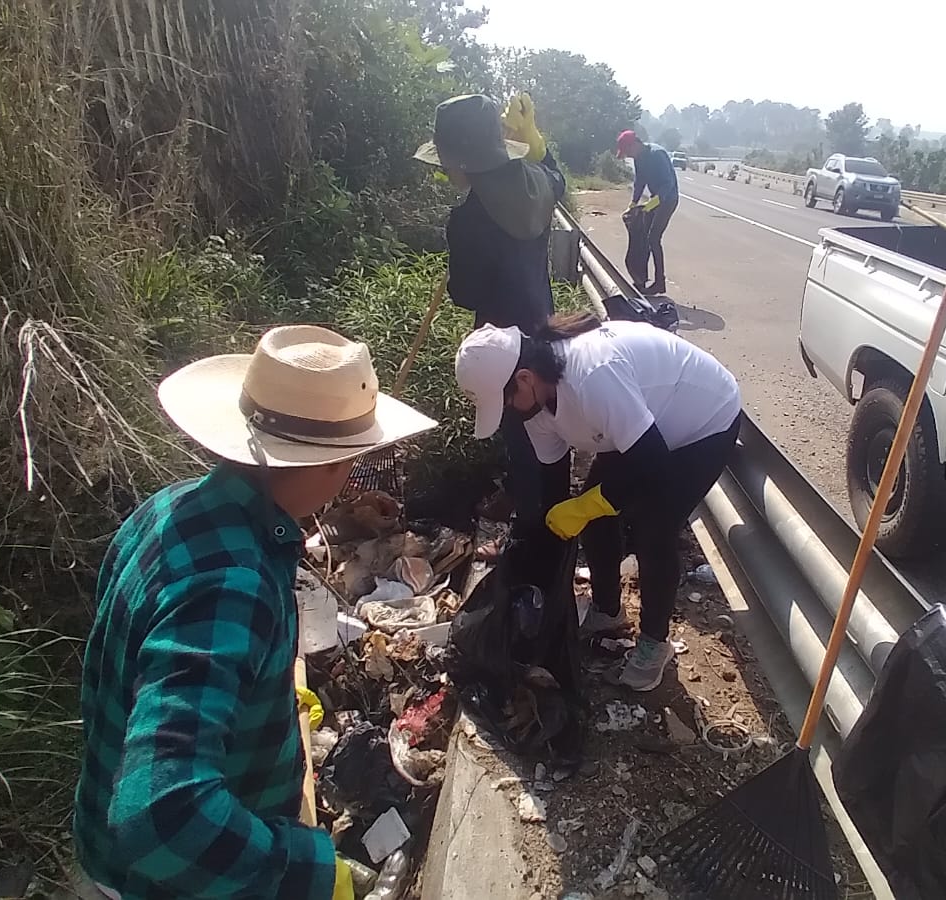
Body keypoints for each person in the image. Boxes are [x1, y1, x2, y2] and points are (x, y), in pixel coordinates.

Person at [74, 326, 436, 900]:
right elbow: (162, 816)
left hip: (106, 844)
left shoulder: (167, 508)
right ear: (333, 465)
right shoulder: (233, 586)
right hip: (175, 884)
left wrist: (260, 695)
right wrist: (314, 871)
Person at [455, 314, 741, 691]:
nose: (507, 410)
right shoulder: (535, 404)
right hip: (645, 427)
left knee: (654, 526)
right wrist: (543, 544)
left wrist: (587, 506)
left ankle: (654, 644)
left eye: (505, 400)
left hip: (703, 421)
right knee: (595, 515)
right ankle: (608, 611)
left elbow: (651, 459)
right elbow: (553, 479)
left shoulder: (591, 376)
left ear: (524, 378)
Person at [417, 92, 568, 547]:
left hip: (501, 346)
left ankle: (532, 534)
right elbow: (557, 176)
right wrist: (537, 143)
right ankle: (558, 524)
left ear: (464, 159)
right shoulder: (537, 183)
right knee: (552, 430)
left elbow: (465, 294)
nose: (446, 171)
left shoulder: (467, 219)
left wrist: (460, 262)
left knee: (520, 439)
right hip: (544, 329)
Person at [616, 130, 679, 295]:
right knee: (642, 236)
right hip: (654, 199)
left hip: (668, 200)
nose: (628, 155)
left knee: (653, 238)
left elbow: (668, 183)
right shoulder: (639, 158)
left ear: (635, 144)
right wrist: (633, 203)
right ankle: (641, 278)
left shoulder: (657, 154)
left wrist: (654, 202)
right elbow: (640, 182)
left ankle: (660, 282)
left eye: (628, 151)